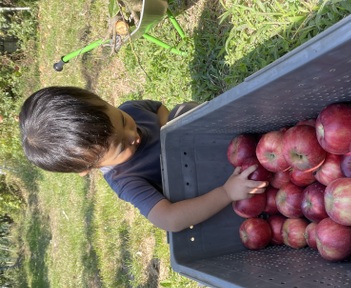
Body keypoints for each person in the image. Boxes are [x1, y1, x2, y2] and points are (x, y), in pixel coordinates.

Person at [18, 86, 268, 232]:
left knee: (184, 112)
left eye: (124, 122)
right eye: (120, 146)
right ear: (87, 169)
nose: (133, 135)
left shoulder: (132, 110)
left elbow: (157, 108)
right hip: (204, 185)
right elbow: (168, 219)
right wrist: (226, 193)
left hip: (220, 149)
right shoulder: (126, 181)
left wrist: (170, 127)